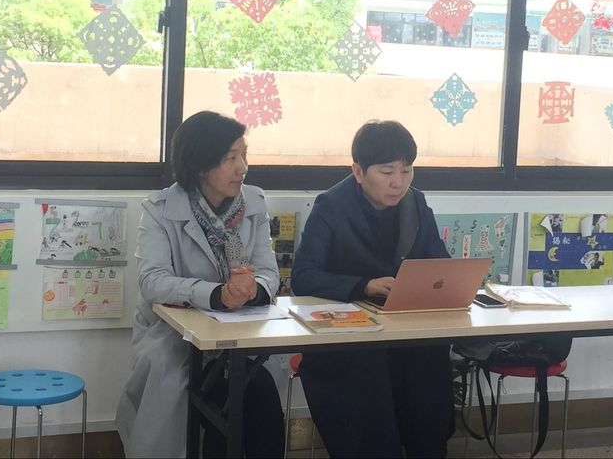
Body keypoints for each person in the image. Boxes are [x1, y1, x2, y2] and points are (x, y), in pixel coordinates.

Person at [115, 111, 284, 459]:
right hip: (175, 337)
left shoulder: (253, 203)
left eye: (244, 155)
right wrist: (216, 295)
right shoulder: (160, 209)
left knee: (259, 394)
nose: (242, 168)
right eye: (231, 158)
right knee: (202, 397)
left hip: (238, 335)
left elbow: (269, 271)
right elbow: (153, 281)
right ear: (201, 165)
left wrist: (254, 289)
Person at [290, 120, 454, 458]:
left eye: (406, 171)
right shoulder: (331, 206)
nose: (398, 182)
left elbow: (439, 263)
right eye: (387, 172)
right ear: (358, 172)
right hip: (348, 339)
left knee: (430, 360)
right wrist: (363, 285)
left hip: (404, 331)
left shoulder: (416, 204)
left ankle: (428, 447)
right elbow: (303, 276)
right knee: (369, 370)